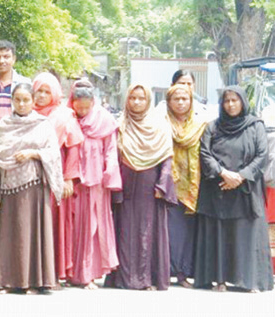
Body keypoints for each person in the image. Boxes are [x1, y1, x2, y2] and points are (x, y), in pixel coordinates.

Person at [194, 86, 274, 292]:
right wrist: (223, 173)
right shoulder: (213, 127)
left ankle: (249, 281)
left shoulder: (255, 126)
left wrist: (240, 176)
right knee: (220, 235)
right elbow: (205, 153)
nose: (230, 104)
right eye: (226, 101)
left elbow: (261, 155)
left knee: (246, 235)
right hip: (218, 189)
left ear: (243, 102)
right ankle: (219, 279)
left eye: (234, 100)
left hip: (246, 190)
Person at [0, 83, 63, 294]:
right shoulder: (3, 125)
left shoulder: (43, 124)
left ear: (33, 100)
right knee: (9, 235)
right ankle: (6, 282)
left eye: (26, 99)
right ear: (12, 101)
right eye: (17, 100)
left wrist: (33, 153)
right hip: (9, 188)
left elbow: (53, 153)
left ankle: (34, 282)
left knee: (33, 235)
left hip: (35, 189)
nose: (22, 104)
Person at [105, 84, 175, 291]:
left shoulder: (159, 125)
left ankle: (146, 279)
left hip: (149, 185)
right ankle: (123, 278)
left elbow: (166, 157)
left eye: (141, 98)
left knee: (147, 231)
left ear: (148, 101)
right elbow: (113, 156)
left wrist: (162, 184)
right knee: (125, 231)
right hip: (125, 184)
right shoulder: (120, 124)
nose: (136, 102)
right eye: (132, 98)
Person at [32, 72, 84, 286]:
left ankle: (55, 272)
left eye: (47, 92)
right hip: (31, 175)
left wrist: (69, 179)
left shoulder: (64, 116)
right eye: (39, 91)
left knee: (54, 223)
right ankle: (33, 270)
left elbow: (73, 150)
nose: (42, 96)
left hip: (56, 175)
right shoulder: (25, 112)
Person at [67, 80, 121, 289]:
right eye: (78, 106)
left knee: (93, 227)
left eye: (85, 107)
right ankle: (73, 272)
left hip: (96, 181)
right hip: (74, 182)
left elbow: (111, 149)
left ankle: (88, 274)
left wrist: (109, 173)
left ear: (93, 102)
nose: (82, 111)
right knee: (75, 228)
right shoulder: (69, 119)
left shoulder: (104, 120)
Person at [164, 84, 206, 288]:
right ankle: (166, 271)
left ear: (191, 102)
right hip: (168, 185)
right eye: (176, 99)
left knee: (189, 232)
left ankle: (184, 272)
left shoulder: (200, 125)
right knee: (170, 231)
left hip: (194, 187)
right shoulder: (160, 124)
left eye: (185, 99)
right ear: (168, 102)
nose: (181, 103)